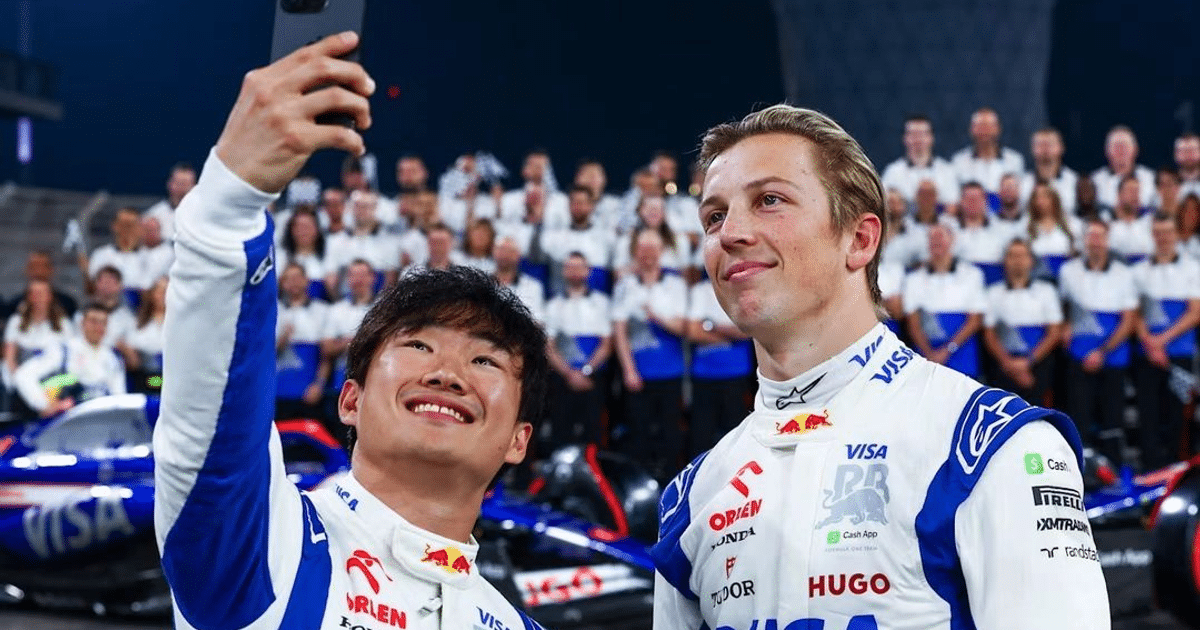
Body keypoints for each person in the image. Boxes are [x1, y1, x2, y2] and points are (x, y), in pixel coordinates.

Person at [653, 104, 1107, 630]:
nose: (730, 233)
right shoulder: (691, 497)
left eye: (769, 200)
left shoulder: (993, 449)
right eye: (714, 216)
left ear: (859, 240)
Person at [153, 33, 549, 630]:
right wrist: (228, 203)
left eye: (486, 361)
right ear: (351, 400)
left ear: (520, 439)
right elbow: (205, 433)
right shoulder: (268, 548)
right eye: (417, 345)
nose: (447, 373)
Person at [1059, 218, 1137, 466]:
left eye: (1100, 237)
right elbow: (1065, 312)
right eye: (1091, 237)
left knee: (1112, 421)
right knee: (1078, 420)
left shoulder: (1124, 274)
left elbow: (1128, 320)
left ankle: (1114, 476)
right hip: (1077, 358)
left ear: (1108, 241)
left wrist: (1102, 352)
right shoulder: (1068, 271)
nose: (1095, 242)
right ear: (1084, 241)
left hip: (1113, 358)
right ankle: (1080, 473)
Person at [612, 228, 688, 481]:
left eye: (653, 249)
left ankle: (669, 481)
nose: (648, 254)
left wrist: (657, 317)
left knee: (670, 433)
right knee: (638, 433)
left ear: (661, 252)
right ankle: (638, 484)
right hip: (638, 373)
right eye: (643, 249)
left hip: (670, 370)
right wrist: (629, 370)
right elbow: (619, 330)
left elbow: (683, 327)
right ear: (635, 252)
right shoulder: (625, 285)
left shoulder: (675, 283)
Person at [1131, 213, 1200, 469]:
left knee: (1178, 415)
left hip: (1179, 354)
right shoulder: (1138, 271)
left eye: (1168, 232)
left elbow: (1195, 312)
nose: (1163, 237)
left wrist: (1161, 340)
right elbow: (1133, 313)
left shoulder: (1192, 267)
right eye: (1158, 232)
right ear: (1152, 235)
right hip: (1146, 354)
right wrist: (1151, 343)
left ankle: (1177, 471)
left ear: (1176, 235)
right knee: (1147, 413)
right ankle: (1150, 471)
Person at [542, 252, 613, 448]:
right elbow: (548, 346)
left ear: (588, 271)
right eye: (570, 267)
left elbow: (606, 344)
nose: (574, 271)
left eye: (579, 267)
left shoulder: (602, 302)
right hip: (562, 377)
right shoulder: (553, 305)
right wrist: (569, 374)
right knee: (560, 431)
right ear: (564, 271)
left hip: (594, 376)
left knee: (594, 432)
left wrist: (585, 371)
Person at [982, 239, 1063, 405]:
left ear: (1031, 261)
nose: (1017, 260)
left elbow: (1054, 332)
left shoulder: (1046, 291)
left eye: (1022, 255)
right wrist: (1008, 364)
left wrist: (1028, 362)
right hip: (1003, 365)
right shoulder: (993, 292)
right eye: (1012, 255)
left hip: (1038, 365)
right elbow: (989, 333)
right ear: (1005, 261)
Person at [903, 223, 987, 378]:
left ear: (952, 241)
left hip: (962, 358)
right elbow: (913, 324)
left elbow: (975, 321)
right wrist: (930, 355)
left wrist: (947, 350)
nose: (936, 240)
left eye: (941, 236)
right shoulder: (913, 279)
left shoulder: (972, 274)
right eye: (932, 237)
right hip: (925, 359)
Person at [14, 303, 125, 418]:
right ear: (82, 323)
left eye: (103, 323)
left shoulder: (113, 358)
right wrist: (44, 404)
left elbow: (119, 397)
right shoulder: (63, 351)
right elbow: (23, 375)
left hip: (101, 420)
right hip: (69, 422)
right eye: (93, 321)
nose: (98, 327)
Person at [684, 278, 753, 457]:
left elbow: (748, 331)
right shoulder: (700, 290)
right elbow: (692, 331)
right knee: (700, 438)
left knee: (737, 436)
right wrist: (730, 335)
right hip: (703, 374)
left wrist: (712, 326)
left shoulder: (745, 288)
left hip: (736, 374)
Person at [880, 114, 959, 208]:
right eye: (913, 134)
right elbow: (885, 207)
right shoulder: (893, 172)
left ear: (931, 138)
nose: (918, 139)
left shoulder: (946, 170)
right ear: (905, 138)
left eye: (922, 134)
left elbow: (953, 207)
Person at [950, 107, 1024, 194]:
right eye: (980, 126)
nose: (984, 131)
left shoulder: (1014, 161)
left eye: (988, 126)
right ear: (971, 129)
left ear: (998, 129)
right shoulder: (959, 161)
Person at [120, 277, 168, 394]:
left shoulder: (180, 324)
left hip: (172, 376)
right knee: (152, 381)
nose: (163, 295)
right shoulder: (138, 323)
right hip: (147, 377)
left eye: (167, 291)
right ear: (152, 294)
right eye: (159, 291)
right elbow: (132, 347)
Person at [1090, 125, 1154, 210]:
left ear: (1135, 150)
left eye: (1125, 146)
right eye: (1116, 146)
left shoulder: (1150, 178)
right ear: (1107, 151)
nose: (1121, 150)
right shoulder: (1095, 181)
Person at [1020, 127, 1078, 214]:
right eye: (1040, 144)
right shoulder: (1023, 184)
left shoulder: (1074, 181)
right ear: (1032, 149)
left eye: (1050, 144)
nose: (1045, 149)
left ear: (1061, 148)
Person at [142, 162, 197, 243]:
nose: (182, 189)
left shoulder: (205, 215)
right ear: (169, 184)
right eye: (178, 183)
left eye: (186, 184)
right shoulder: (153, 216)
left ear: (194, 187)